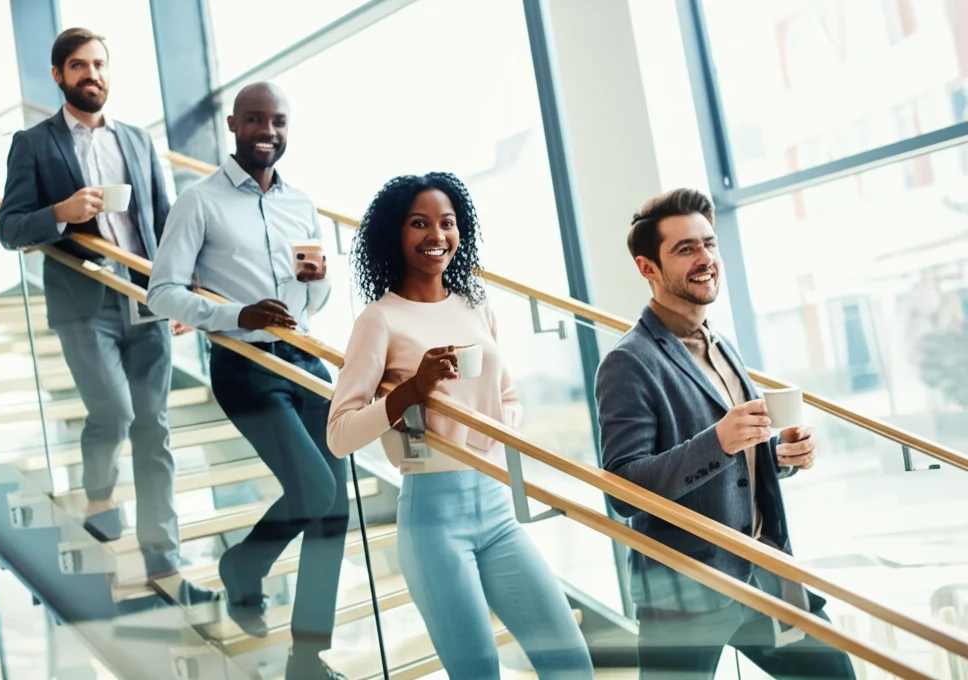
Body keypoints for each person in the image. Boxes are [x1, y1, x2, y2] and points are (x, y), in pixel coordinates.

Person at [327, 173, 594, 680]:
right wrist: (412, 391)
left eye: (447, 223)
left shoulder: (476, 305)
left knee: (571, 664)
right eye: (419, 223)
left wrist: (486, 436)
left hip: (497, 510)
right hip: (433, 519)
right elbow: (339, 435)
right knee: (477, 674)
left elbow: (509, 399)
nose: (436, 236)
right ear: (394, 234)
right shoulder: (378, 320)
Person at [594, 188, 855, 679]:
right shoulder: (627, 363)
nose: (706, 259)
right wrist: (719, 441)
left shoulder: (722, 345)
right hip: (687, 591)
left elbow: (731, 462)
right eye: (685, 249)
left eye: (708, 243)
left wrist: (778, 455)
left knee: (835, 673)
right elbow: (624, 490)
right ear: (647, 268)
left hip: (764, 572)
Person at [0, 27, 214, 607]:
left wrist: (183, 287)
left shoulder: (139, 140)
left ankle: (164, 568)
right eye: (78, 66)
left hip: (145, 301)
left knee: (155, 432)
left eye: (99, 64)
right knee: (114, 411)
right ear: (59, 75)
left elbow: (166, 220)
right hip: (82, 305)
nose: (91, 74)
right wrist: (61, 213)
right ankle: (97, 496)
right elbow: (9, 228)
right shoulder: (33, 143)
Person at [147, 82, 348, 673]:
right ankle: (243, 567)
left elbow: (316, 294)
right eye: (256, 119)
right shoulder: (199, 201)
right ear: (233, 125)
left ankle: (308, 656)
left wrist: (317, 281)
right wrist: (237, 315)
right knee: (316, 490)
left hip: (304, 362)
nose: (268, 131)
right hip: (245, 366)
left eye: (278, 121)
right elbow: (162, 292)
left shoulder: (301, 203)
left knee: (334, 511)